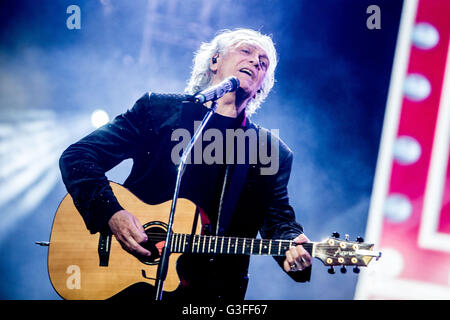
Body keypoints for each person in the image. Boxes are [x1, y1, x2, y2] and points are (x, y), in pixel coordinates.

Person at [59, 28, 312, 301]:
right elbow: (79, 156)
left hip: (211, 295)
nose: (255, 62)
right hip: (129, 285)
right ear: (214, 61)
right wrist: (111, 213)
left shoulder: (270, 149)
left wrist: (293, 247)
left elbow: (279, 223)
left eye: (263, 63)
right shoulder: (158, 111)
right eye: (246, 51)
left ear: (262, 85)